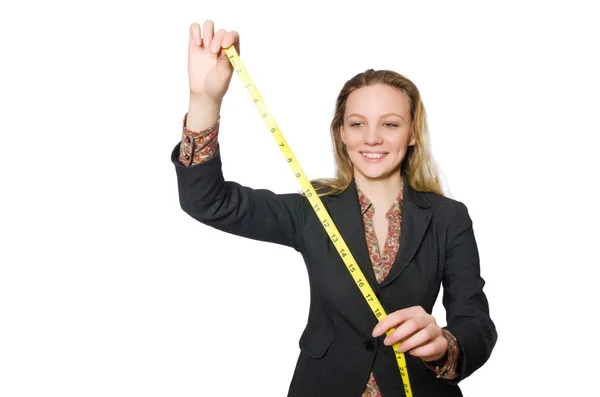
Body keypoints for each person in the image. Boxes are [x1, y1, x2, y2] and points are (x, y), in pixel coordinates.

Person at [171, 19, 497, 397]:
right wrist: (204, 99)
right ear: (341, 133)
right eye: (357, 124)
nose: (372, 137)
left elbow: (476, 322)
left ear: (411, 133)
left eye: (390, 124)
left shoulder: (448, 218)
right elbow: (208, 202)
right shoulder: (312, 209)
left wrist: (444, 344)